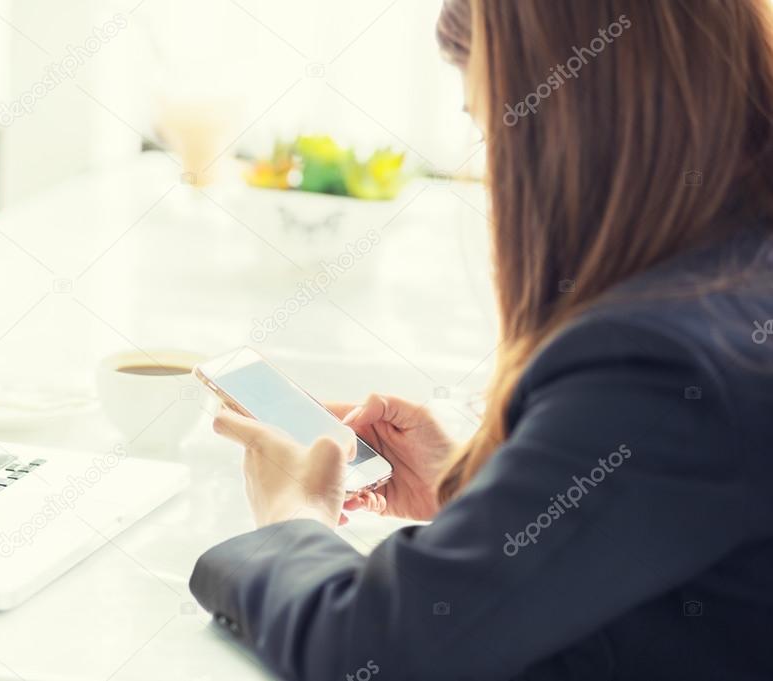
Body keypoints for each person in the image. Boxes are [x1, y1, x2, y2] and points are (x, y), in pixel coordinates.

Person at [189, 1, 773, 679]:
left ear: (565, 120)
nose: (492, 172)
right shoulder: (733, 286)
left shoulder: (657, 362)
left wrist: (291, 516)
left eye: (489, 127)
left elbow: (369, 649)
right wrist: (478, 488)